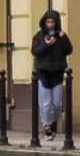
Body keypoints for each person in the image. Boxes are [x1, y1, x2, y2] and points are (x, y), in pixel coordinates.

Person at [31, 9, 72, 141]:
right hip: (43, 72)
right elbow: (35, 51)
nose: (50, 25)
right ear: (44, 23)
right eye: (48, 22)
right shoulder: (39, 36)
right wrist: (47, 45)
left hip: (57, 72)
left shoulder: (60, 36)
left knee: (57, 104)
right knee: (46, 103)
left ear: (56, 22)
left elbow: (69, 50)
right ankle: (47, 127)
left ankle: (52, 123)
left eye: (52, 22)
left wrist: (64, 37)